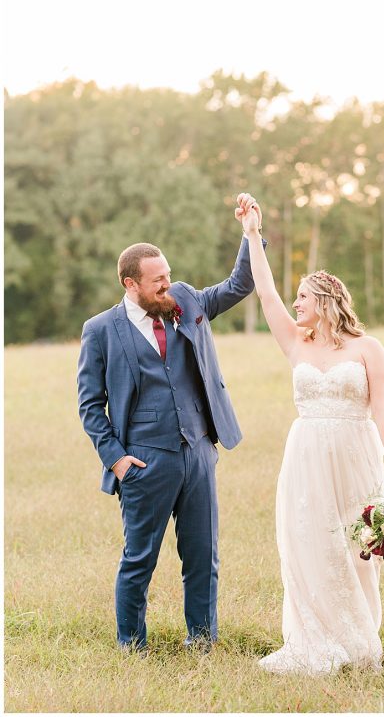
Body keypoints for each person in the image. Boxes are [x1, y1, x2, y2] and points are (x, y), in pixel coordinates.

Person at [233, 193, 384, 675]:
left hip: (357, 452)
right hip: (306, 454)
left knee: (358, 548)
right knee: (308, 541)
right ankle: (315, 638)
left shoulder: (369, 348)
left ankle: (358, 639)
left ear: (327, 301)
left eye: (304, 297)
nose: (295, 303)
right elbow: (265, 293)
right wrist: (252, 234)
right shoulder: (295, 343)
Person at [76, 206, 262, 652]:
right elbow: (89, 406)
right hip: (144, 461)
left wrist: (250, 234)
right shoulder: (100, 331)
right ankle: (131, 645)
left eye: (168, 274)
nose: (167, 284)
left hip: (198, 452)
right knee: (139, 560)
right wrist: (118, 460)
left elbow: (240, 284)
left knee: (203, 557)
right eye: (157, 279)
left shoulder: (186, 302)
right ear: (130, 283)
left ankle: (201, 641)